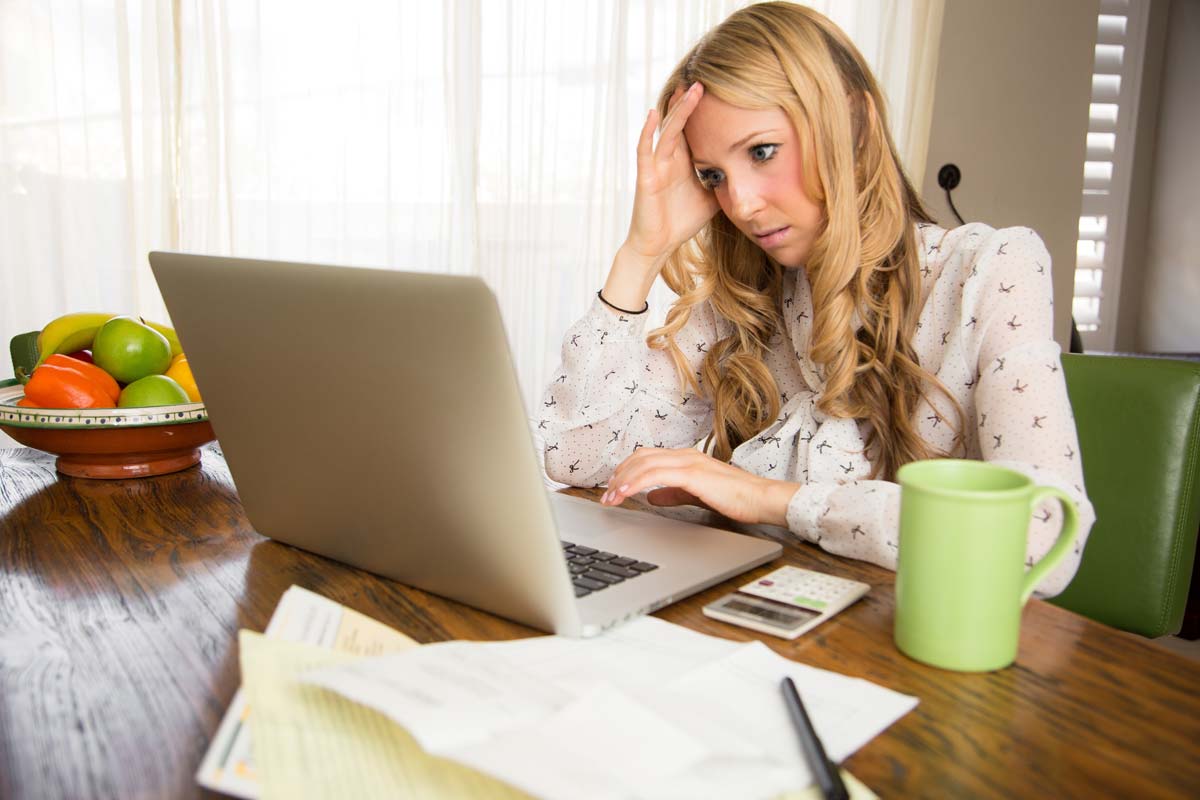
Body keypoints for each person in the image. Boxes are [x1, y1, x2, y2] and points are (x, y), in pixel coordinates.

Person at [539, 1, 1094, 595]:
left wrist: (771, 499)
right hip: (769, 623)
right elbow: (576, 458)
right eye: (712, 176)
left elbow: (1045, 538)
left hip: (915, 646)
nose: (742, 204)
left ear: (850, 119)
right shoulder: (744, 296)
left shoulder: (987, 271)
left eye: (761, 152)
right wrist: (641, 252)